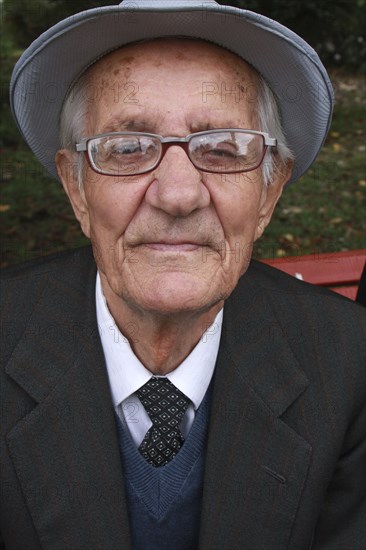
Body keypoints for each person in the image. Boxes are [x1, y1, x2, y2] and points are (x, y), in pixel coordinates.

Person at [1, 1, 365, 548]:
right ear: (76, 188)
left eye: (222, 148)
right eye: (127, 148)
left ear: (269, 191)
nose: (178, 194)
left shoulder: (351, 363)